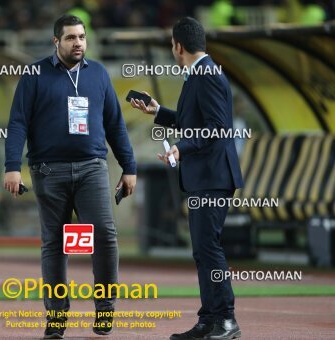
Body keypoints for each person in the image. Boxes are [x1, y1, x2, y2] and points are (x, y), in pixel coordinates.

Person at [4, 14, 137, 339]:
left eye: (81, 37)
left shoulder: (99, 74)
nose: (78, 43)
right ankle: (57, 318)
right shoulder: (34, 74)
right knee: (56, 243)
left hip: (92, 167)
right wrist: (12, 165)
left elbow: (116, 123)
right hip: (48, 171)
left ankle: (105, 309)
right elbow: (18, 122)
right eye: (70, 38)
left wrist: (129, 166)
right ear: (56, 42)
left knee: (104, 236)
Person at [131, 17, 243, 340]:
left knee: (209, 248)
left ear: (178, 46)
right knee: (203, 250)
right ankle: (209, 320)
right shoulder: (199, 74)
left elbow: (216, 129)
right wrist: (158, 112)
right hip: (205, 176)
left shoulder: (206, 76)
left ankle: (226, 320)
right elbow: (193, 121)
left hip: (213, 175)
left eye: (171, 44)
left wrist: (180, 148)